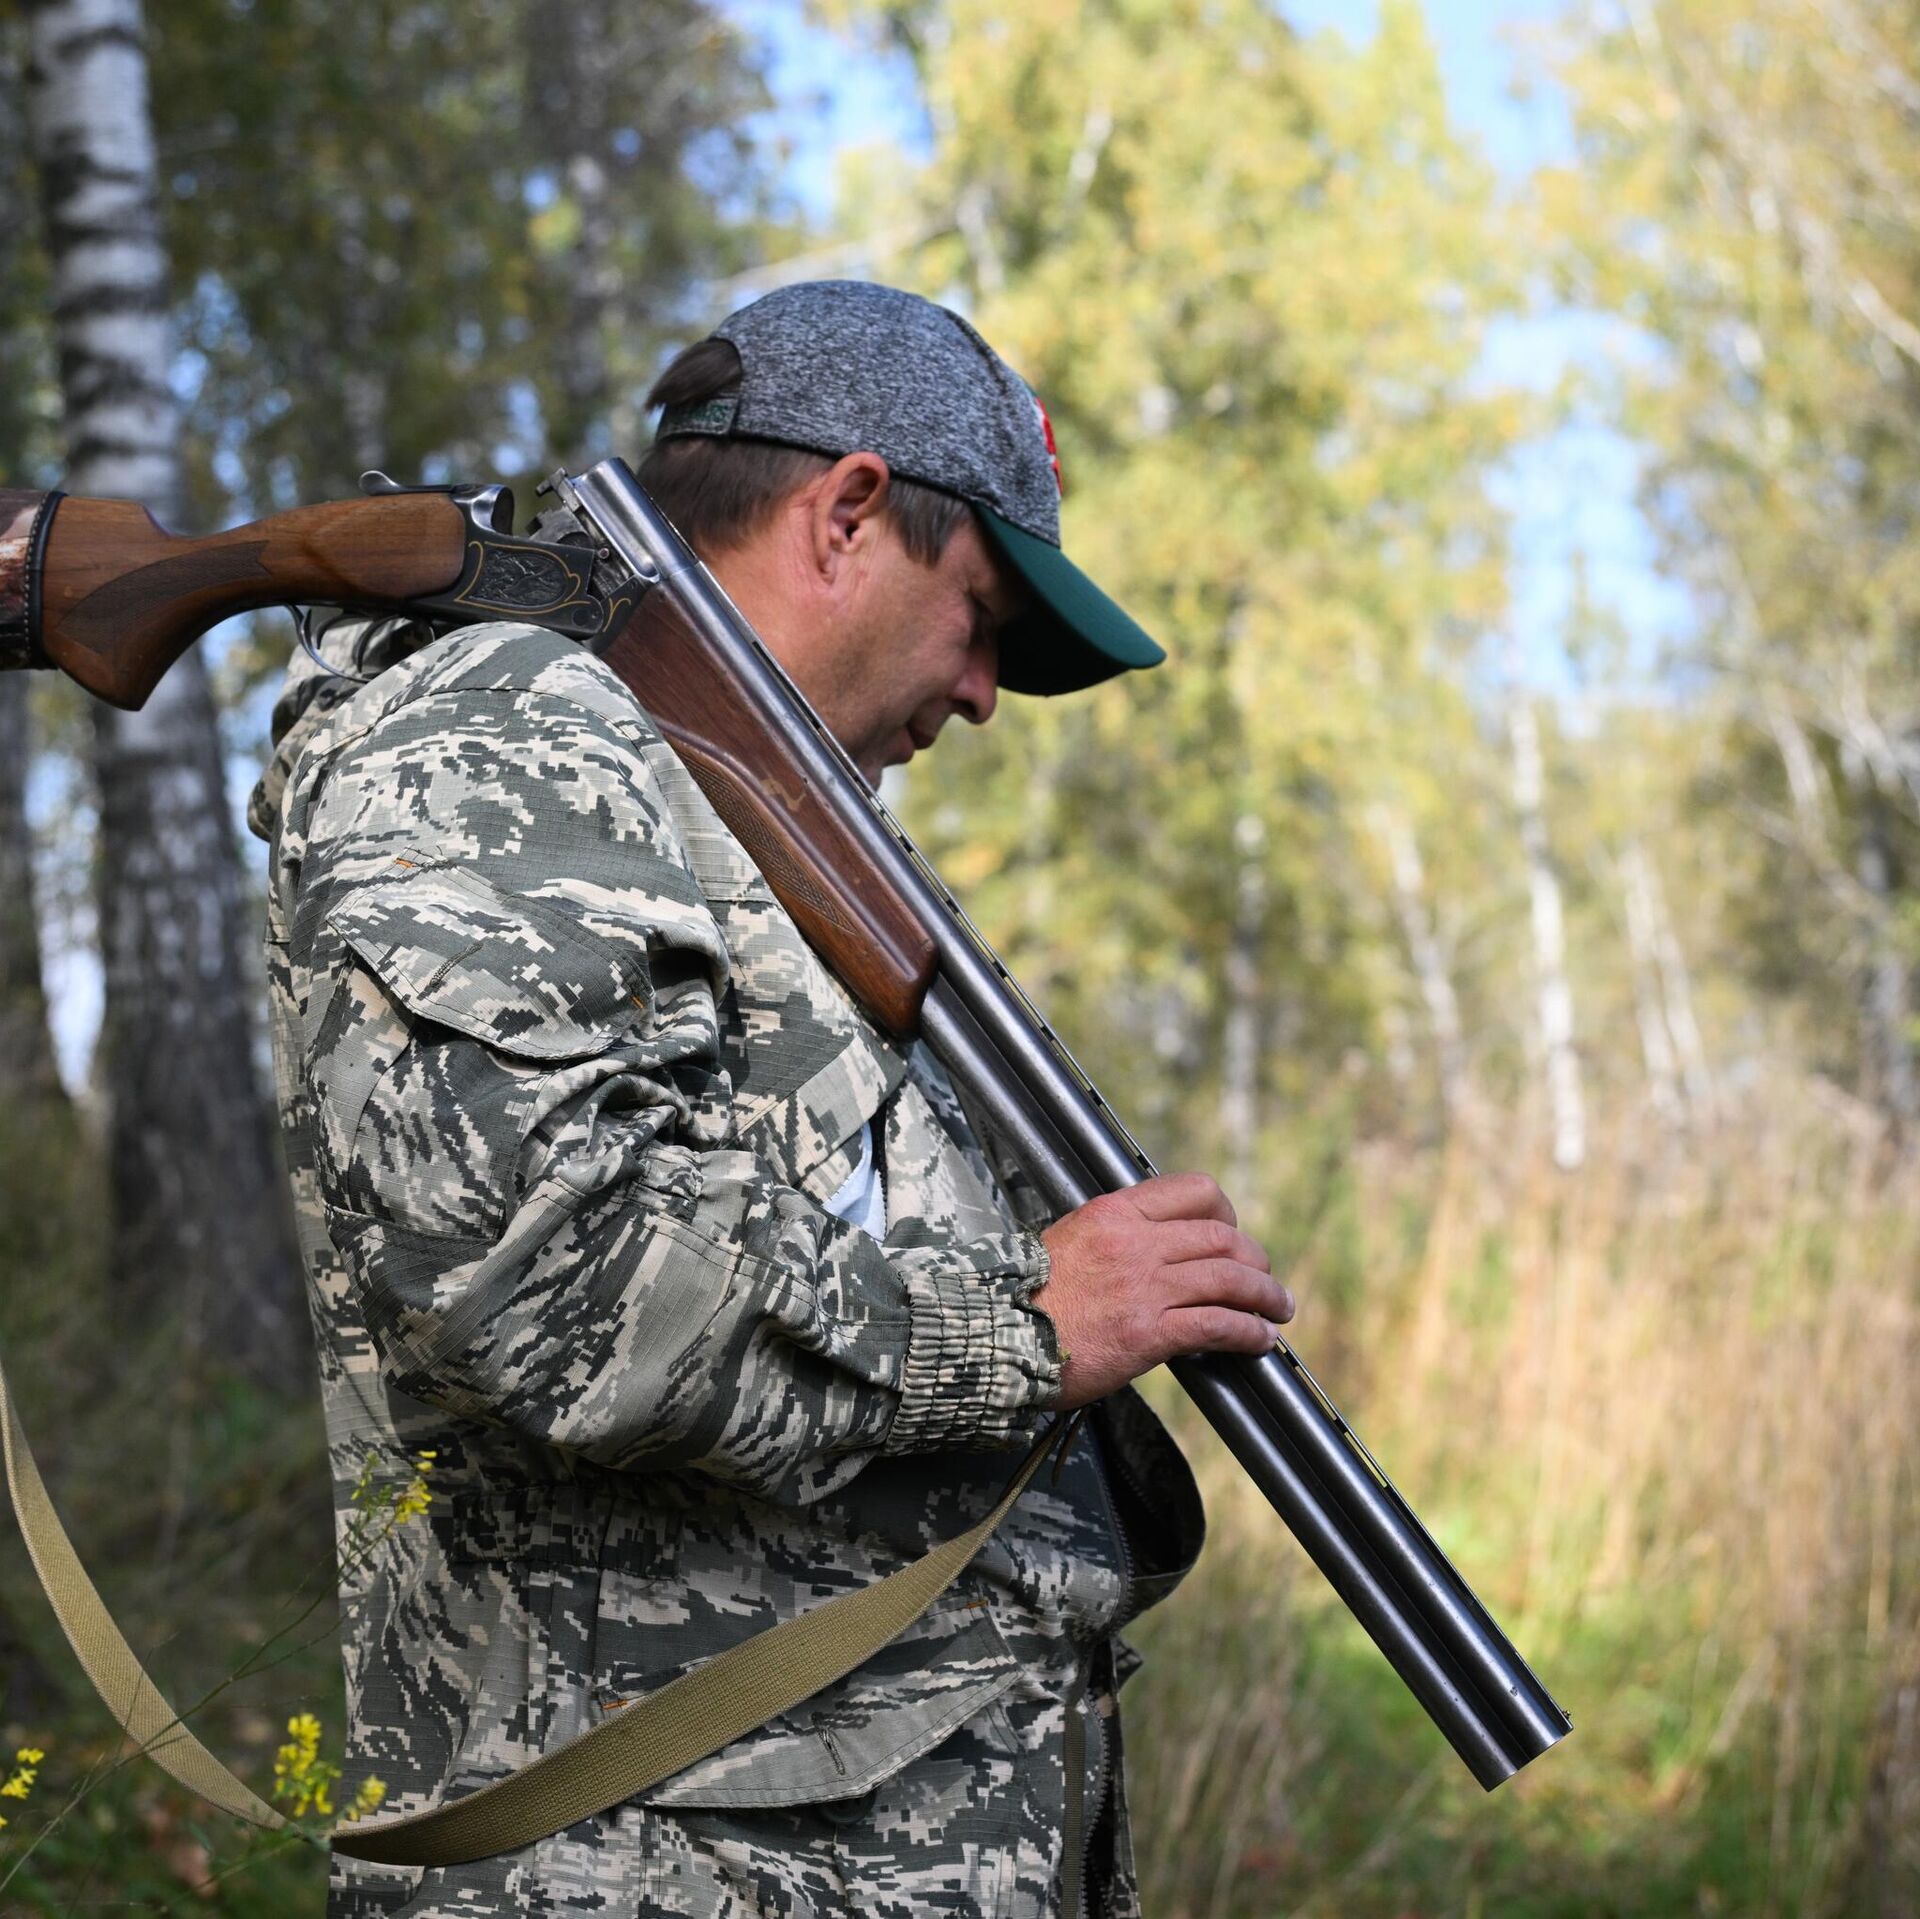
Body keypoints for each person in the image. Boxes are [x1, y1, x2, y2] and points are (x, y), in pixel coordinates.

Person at [247, 279, 1292, 1919]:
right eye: (983, 616)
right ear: (847, 514)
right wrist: (1028, 1324)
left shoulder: (736, 822)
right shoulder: (504, 738)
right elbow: (555, 1276)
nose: (983, 694)